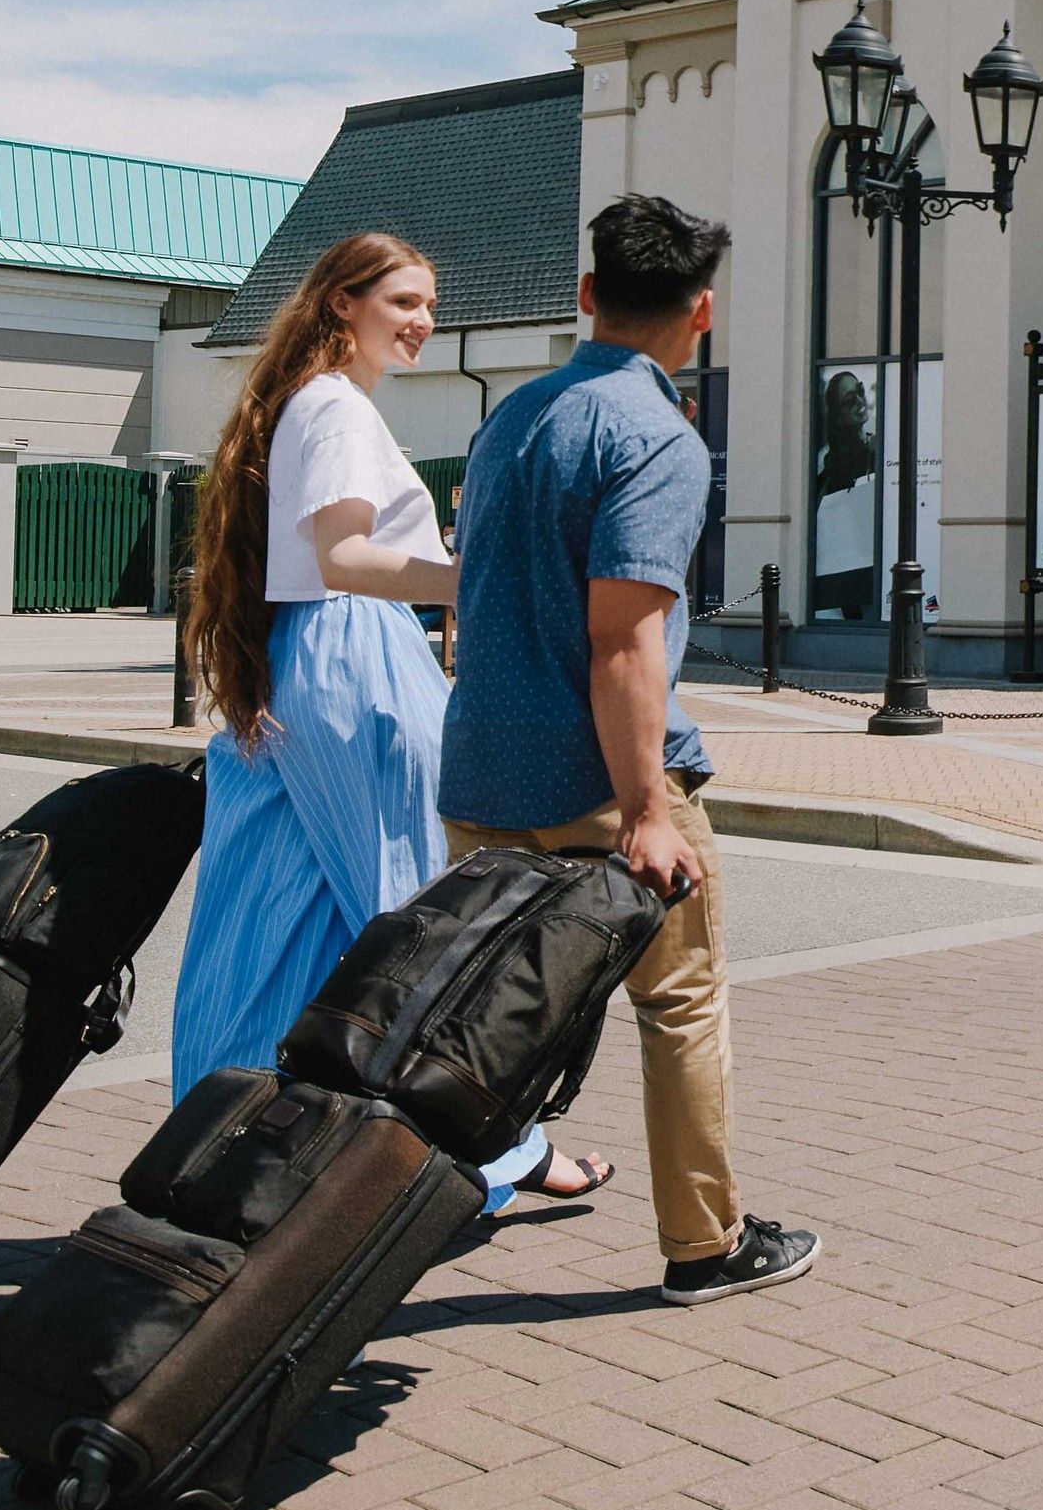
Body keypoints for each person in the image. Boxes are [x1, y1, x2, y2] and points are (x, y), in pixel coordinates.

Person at [171, 231, 600, 1205]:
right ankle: (495, 1150)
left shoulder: (306, 405)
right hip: (357, 654)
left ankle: (217, 1139)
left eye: (429, 305)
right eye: (403, 302)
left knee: (272, 918)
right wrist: (479, 575)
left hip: (301, 663)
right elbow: (346, 558)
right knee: (413, 918)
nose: (423, 322)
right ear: (341, 304)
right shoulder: (336, 408)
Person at [440, 192, 816, 1305]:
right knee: (681, 1002)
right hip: (597, 788)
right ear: (701, 316)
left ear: (588, 297)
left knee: (481, 1019)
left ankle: (411, 1196)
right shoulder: (656, 436)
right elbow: (623, 642)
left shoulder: (510, 418)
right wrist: (649, 810)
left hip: (478, 773)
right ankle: (706, 1243)